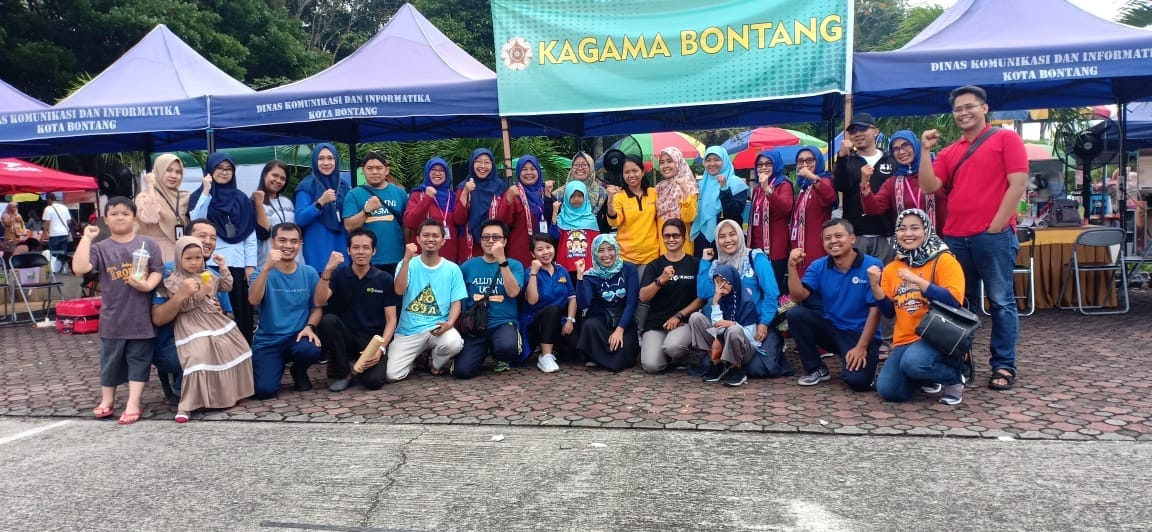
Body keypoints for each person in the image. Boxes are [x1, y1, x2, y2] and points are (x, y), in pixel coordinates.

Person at [917, 85, 1029, 391]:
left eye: (970, 106)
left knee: (1001, 302)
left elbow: (1018, 183)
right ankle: (959, 362)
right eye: (958, 109)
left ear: (984, 108)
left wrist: (996, 225)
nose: (964, 113)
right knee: (957, 304)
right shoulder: (950, 152)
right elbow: (928, 186)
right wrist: (925, 151)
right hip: (955, 237)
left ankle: (1003, 365)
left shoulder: (1006, 138)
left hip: (993, 236)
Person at [71, 197, 164, 425]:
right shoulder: (101, 248)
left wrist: (148, 285)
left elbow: (158, 270)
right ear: (106, 219)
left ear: (134, 218)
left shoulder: (148, 244)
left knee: (139, 361)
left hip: (141, 318)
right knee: (110, 362)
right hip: (112, 318)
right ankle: (107, 400)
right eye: (114, 214)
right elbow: (80, 268)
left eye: (125, 213)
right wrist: (87, 238)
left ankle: (133, 403)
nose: (120, 218)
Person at [871, 209, 967, 405]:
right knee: (889, 391)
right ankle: (926, 377)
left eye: (915, 228)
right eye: (902, 229)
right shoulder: (892, 268)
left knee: (914, 363)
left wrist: (917, 281)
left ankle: (955, 376)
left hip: (938, 338)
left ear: (926, 230)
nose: (908, 234)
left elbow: (953, 300)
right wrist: (874, 286)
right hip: (905, 339)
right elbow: (889, 312)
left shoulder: (944, 260)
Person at [786, 219, 883, 392]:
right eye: (827, 238)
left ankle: (868, 366)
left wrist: (861, 347)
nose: (833, 241)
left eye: (839, 236)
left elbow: (876, 310)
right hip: (833, 328)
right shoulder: (818, 266)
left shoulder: (872, 265)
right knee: (796, 314)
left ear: (852, 239)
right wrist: (792, 266)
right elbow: (797, 296)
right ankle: (815, 368)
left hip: (860, 334)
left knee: (858, 382)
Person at [165, 236, 254, 422]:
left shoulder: (207, 274)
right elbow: (184, 307)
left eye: (198, 257)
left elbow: (227, 286)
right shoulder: (175, 280)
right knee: (197, 357)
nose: (194, 262)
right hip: (191, 322)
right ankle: (186, 405)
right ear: (179, 258)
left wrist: (223, 267)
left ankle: (232, 393)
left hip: (213, 318)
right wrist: (202, 292)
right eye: (188, 258)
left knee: (238, 346)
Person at [150, 219, 236, 407]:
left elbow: (230, 315)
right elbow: (158, 318)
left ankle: (213, 388)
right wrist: (181, 296)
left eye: (213, 238)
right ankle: (176, 381)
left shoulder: (212, 275)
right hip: (173, 341)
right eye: (202, 236)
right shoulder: (169, 272)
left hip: (206, 334)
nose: (208, 242)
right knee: (198, 351)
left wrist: (219, 312)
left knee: (233, 346)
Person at [248, 223, 336, 399]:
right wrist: (266, 268)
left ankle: (299, 370)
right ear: (272, 242)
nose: (288, 246)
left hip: (297, 337)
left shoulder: (309, 272)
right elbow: (254, 300)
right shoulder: (261, 272)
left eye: (294, 241)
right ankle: (275, 366)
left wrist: (309, 327)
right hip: (269, 340)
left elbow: (317, 308)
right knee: (264, 391)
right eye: (282, 240)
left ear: (300, 243)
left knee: (310, 348)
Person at [693, 220, 781, 386]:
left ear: (740, 235)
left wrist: (764, 323)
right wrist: (705, 262)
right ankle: (720, 363)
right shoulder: (717, 265)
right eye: (722, 236)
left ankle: (735, 364)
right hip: (725, 326)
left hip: (754, 325)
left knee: (756, 369)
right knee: (707, 363)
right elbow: (704, 293)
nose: (728, 240)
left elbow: (771, 292)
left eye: (732, 234)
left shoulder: (755, 258)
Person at [315, 229, 398, 392]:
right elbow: (319, 300)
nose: (361, 252)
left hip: (371, 339)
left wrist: (381, 349)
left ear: (373, 251)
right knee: (328, 321)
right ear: (348, 250)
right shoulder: (338, 274)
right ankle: (344, 374)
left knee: (374, 381)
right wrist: (328, 270)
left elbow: (391, 320)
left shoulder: (384, 279)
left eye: (366, 247)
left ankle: (357, 368)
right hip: (345, 336)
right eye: (356, 247)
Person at [190, 152, 258, 346]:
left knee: (241, 314)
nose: (224, 172)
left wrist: (250, 265)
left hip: (238, 265)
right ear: (210, 170)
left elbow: (250, 234)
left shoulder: (242, 199)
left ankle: (243, 352)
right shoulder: (200, 196)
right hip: (211, 266)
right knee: (216, 311)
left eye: (229, 169)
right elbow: (196, 221)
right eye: (219, 168)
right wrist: (206, 191)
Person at [386, 220, 466, 382]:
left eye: (435, 236)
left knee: (454, 343)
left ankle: (434, 363)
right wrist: (406, 260)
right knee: (392, 375)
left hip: (437, 328)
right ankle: (413, 360)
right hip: (409, 330)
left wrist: (450, 323)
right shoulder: (407, 264)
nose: (430, 239)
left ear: (443, 240)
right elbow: (399, 290)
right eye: (426, 235)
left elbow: (456, 302)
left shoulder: (452, 269)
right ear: (418, 239)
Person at [454, 219, 525, 378]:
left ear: (504, 241)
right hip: (476, 325)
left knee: (507, 348)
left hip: (502, 322)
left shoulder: (514, 265)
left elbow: (513, 292)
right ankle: (480, 352)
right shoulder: (468, 266)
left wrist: (502, 261)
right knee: (462, 371)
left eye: (496, 237)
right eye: (486, 237)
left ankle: (498, 355)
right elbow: (458, 296)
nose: (490, 241)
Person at [637, 219, 703, 373]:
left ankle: (679, 355)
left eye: (676, 235)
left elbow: (702, 298)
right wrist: (661, 280)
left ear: (684, 238)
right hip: (657, 324)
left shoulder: (695, 263)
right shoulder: (654, 265)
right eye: (667, 236)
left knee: (673, 346)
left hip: (684, 322)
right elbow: (643, 297)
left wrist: (679, 316)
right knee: (652, 366)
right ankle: (666, 355)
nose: (671, 239)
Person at [834, 113, 899, 263]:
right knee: (856, 275)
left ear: (875, 131)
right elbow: (839, 186)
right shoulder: (848, 161)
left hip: (886, 234)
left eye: (862, 129)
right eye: (853, 131)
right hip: (857, 235)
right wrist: (842, 158)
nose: (857, 134)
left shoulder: (891, 160)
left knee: (886, 275)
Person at [861, 130, 949, 231]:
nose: (901, 152)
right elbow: (873, 210)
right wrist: (864, 184)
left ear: (915, 145)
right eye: (896, 149)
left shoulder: (937, 173)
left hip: (940, 238)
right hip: (908, 238)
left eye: (905, 145)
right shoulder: (892, 182)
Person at [576, 234, 640, 371]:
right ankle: (596, 357)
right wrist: (580, 277)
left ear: (616, 249)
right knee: (589, 325)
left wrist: (620, 330)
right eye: (601, 250)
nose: (606, 255)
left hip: (623, 321)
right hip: (601, 322)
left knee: (623, 354)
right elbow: (583, 304)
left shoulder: (628, 268)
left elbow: (632, 302)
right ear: (594, 253)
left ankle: (602, 358)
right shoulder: (591, 275)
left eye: (610, 249)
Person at [520, 234, 577, 373]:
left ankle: (555, 349)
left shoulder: (562, 271)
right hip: (534, 323)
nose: (546, 252)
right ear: (533, 254)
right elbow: (532, 300)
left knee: (574, 346)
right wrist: (534, 273)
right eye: (540, 249)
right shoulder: (529, 273)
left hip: (559, 321)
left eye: (548, 247)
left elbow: (572, 297)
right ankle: (545, 356)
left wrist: (570, 320)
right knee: (552, 310)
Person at [343, 152, 407, 273]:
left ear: (387, 170)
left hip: (396, 259)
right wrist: (366, 211)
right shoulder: (353, 194)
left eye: (379, 168)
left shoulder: (400, 193)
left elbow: (406, 226)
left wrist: (407, 252)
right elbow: (349, 226)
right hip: (365, 261)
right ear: (363, 170)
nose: (374, 172)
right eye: (370, 168)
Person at [295, 143, 351, 270]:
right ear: (315, 160)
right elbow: (300, 219)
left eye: (330, 158)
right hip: (317, 252)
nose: (326, 163)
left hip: (342, 249)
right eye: (321, 158)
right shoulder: (306, 186)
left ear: (336, 160)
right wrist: (320, 202)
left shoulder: (343, 186)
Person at [747, 149, 794, 291]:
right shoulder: (757, 188)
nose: (763, 167)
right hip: (757, 244)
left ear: (776, 164)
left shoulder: (783, 184)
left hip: (775, 246)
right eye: (760, 164)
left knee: (773, 286)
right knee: (758, 285)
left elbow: (786, 208)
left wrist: (768, 189)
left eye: (768, 163)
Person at [404, 157, 464, 263]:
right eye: (433, 169)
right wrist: (427, 198)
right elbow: (410, 222)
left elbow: (460, 221)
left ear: (447, 174)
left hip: (449, 254)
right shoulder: (418, 194)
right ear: (427, 172)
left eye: (441, 170)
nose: (437, 173)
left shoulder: (453, 196)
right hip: (424, 253)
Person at [691, 146, 748, 256]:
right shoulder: (700, 186)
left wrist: (724, 188)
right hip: (702, 239)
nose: (712, 164)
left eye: (716, 159)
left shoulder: (737, 184)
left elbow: (734, 212)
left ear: (725, 160)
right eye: (708, 160)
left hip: (728, 240)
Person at [133, 153, 189, 263]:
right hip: (153, 252)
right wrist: (150, 186)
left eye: (178, 172)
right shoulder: (144, 197)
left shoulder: (185, 196)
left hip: (181, 251)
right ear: (158, 171)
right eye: (168, 170)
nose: (174, 175)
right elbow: (151, 217)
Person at [606, 155, 661, 267]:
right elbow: (614, 222)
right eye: (626, 172)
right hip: (625, 257)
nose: (631, 175)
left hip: (652, 256)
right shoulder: (619, 196)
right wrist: (610, 200)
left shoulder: (654, 193)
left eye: (635, 171)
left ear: (643, 172)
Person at [789, 147, 837, 274]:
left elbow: (831, 197)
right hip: (799, 244)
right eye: (800, 161)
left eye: (809, 160)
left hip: (817, 245)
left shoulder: (823, 180)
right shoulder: (803, 185)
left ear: (818, 161)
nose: (804, 164)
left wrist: (812, 177)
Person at [457, 148, 506, 259]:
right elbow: (459, 219)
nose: (482, 166)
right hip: (470, 244)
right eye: (478, 161)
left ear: (492, 165)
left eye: (487, 162)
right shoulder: (464, 186)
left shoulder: (501, 187)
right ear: (472, 164)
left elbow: (505, 218)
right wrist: (465, 192)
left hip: (494, 243)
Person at [654, 146, 700, 255]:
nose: (665, 165)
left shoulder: (689, 186)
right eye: (662, 162)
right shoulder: (659, 188)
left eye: (670, 161)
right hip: (662, 245)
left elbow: (688, 217)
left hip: (683, 246)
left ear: (678, 162)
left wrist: (684, 191)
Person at [253, 160, 299, 265]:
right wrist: (259, 204)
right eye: (275, 175)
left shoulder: (287, 202)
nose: (278, 181)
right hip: (267, 261)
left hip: (292, 261)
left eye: (283, 178)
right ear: (265, 175)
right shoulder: (254, 202)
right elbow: (263, 234)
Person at [553, 181, 600, 276]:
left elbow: (597, 244)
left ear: (585, 197)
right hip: (566, 267)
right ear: (567, 197)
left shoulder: (590, 219)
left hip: (588, 268)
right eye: (572, 196)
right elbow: (554, 236)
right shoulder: (561, 218)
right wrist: (554, 213)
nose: (576, 199)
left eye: (579, 195)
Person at [562, 152, 610, 232]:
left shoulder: (603, 194)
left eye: (584, 165)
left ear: (591, 167)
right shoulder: (560, 194)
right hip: (566, 237)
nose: (580, 168)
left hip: (596, 236)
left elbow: (607, 223)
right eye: (576, 165)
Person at [41, 194, 73, 268]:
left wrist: (43, 236)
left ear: (49, 199)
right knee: (63, 253)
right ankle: (62, 268)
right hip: (64, 233)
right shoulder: (64, 207)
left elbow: (47, 223)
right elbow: (69, 221)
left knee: (54, 254)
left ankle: (55, 268)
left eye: (47, 200)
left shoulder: (48, 209)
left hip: (54, 234)